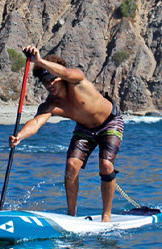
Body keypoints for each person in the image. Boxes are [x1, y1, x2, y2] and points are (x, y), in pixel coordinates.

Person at [10, 46, 125, 222]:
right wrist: (19, 136)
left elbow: (64, 71)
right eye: (45, 82)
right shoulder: (51, 104)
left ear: (61, 78)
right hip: (85, 128)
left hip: (110, 122)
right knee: (71, 165)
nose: (49, 85)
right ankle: (71, 215)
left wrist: (39, 61)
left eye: (52, 79)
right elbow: (36, 122)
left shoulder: (76, 79)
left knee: (106, 165)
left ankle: (106, 216)